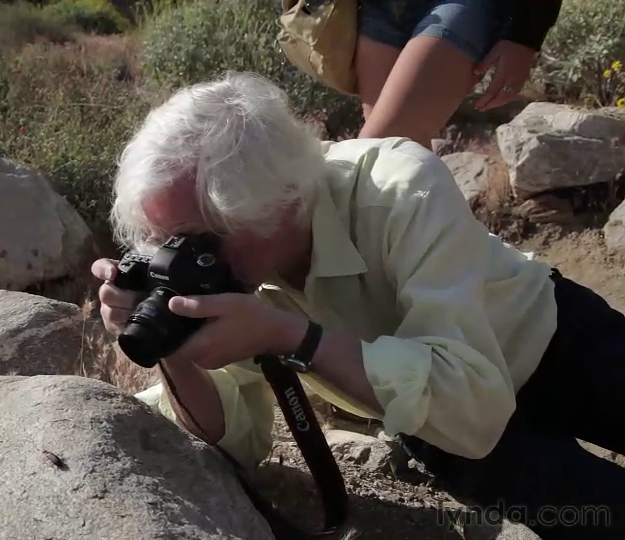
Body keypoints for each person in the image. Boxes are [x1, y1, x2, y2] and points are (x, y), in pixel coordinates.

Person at [91, 72, 624, 539]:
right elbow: (238, 438)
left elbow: (471, 393)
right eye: (163, 245)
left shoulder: (397, 187)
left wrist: (294, 338)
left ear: (278, 203)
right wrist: (169, 341)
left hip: (549, 338)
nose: (181, 262)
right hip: (437, 421)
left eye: (196, 240)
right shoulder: (228, 269)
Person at [354, 0, 564, 148]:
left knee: (378, 150)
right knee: (402, 159)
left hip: (465, 5)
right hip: (380, 8)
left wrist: (525, 34)